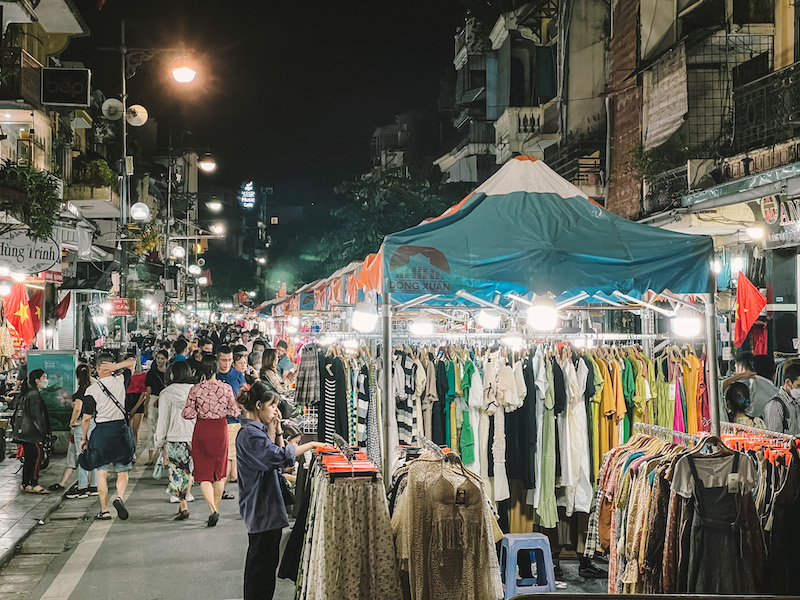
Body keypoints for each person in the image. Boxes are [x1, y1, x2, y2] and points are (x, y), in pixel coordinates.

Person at [236, 383, 323, 600]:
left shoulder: (257, 433)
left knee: (264, 568)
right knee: (261, 571)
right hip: (261, 509)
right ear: (258, 405)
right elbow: (277, 456)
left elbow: (281, 463)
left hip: (266, 510)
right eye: (272, 405)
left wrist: (277, 431)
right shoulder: (250, 435)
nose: (276, 410)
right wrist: (311, 445)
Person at [181, 354, 240, 526]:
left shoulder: (195, 389)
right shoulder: (226, 388)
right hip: (220, 429)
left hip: (202, 429)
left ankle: (212, 509)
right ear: (215, 369)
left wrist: (201, 411)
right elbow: (235, 412)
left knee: (204, 475)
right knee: (219, 473)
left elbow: (187, 413)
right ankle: (215, 509)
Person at [80, 354, 137, 520]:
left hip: (102, 433)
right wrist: (116, 366)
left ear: (97, 368)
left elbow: (86, 418)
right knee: (123, 470)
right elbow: (132, 363)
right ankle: (119, 497)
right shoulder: (120, 381)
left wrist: (84, 438)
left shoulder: (91, 390)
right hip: (120, 430)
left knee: (102, 473)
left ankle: (104, 510)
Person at [155, 361, 196, 520]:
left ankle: (183, 505)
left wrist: (159, 441)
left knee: (179, 472)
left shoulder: (166, 393)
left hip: (175, 437)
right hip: (193, 436)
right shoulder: (195, 391)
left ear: (172, 374)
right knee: (190, 470)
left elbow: (163, 420)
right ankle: (184, 500)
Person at [12, 369, 51, 494]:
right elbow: (37, 417)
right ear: (37, 380)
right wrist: (43, 434)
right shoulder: (34, 395)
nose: (46, 380)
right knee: (36, 458)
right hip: (32, 433)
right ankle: (34, 483)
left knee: (29, 458)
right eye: (44, 377)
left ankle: (25, 483)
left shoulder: (27, 393)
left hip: (24, 433)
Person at [64, 364, 98, 499]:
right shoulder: (94, 389)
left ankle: (82, 487)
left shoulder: (80, 392)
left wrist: (72, 422)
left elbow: (78, 408)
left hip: (82, 424)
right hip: (94, 423)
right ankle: (94, 486)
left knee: (82, 455)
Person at [217, 345, 246, 496]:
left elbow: (244, 394)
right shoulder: (213, 375)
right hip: (216, 421)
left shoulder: (238, 375)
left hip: (233, 420)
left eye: (229, 360)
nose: (227, 363)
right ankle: (222, 483)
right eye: (223, 360)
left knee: (229, 455)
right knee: (223, 455)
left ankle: (223, 484)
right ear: (217, 359)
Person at [723, 352, 778, 419]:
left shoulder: (741, 388)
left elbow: (718, 390)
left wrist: (738, 377)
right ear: (774, 375)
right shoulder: (778, 393)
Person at [763, 362, 800, 435]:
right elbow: (774, 438)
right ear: (788, 382)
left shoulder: (796, 402)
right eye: (798, 385)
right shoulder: (775, 405)